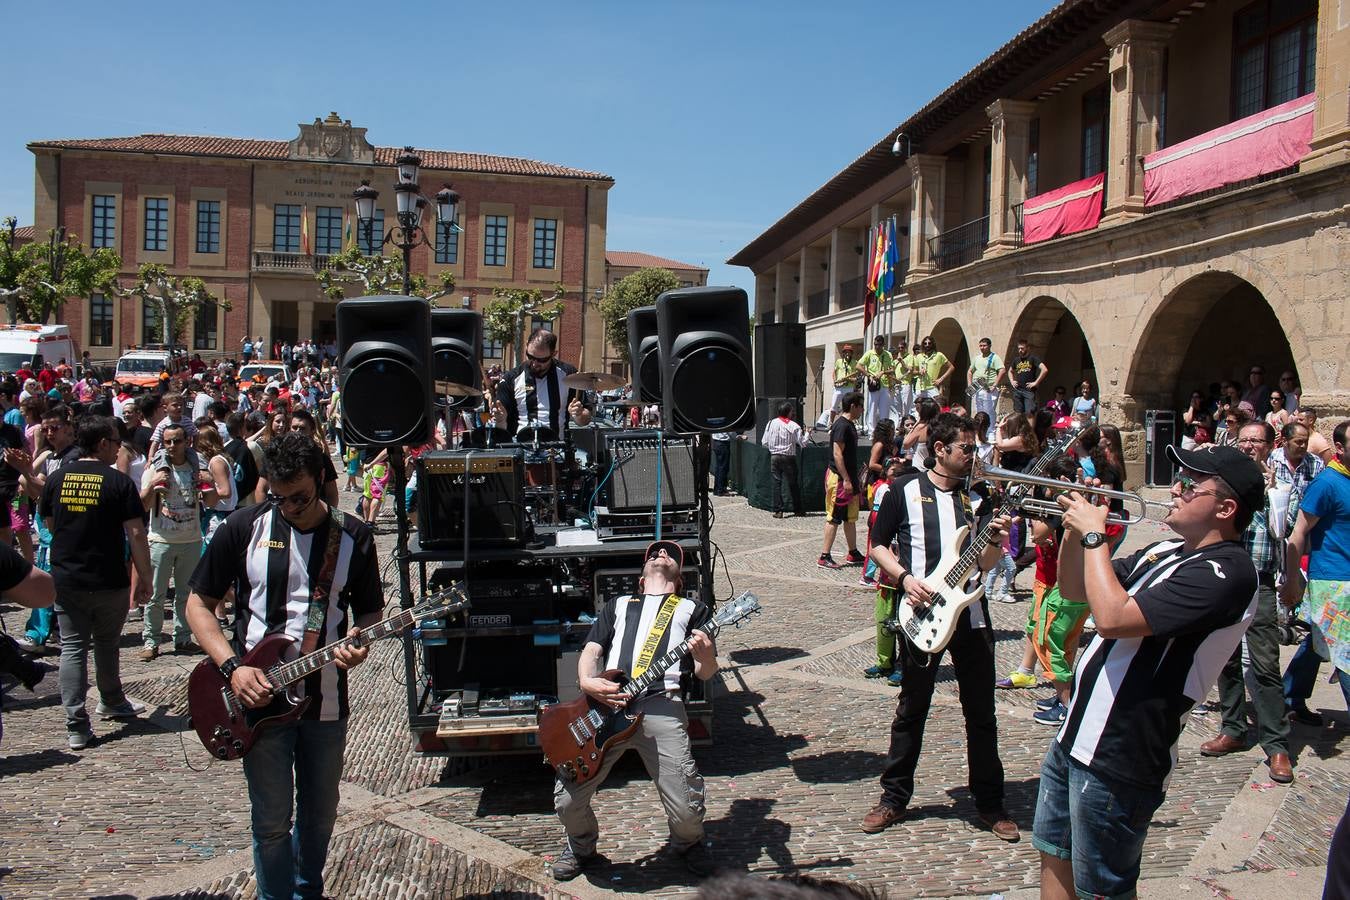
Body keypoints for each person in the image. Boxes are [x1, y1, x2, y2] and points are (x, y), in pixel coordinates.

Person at [1035, 443, 1264, 900]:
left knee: (1102, 889)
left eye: (1191, 484)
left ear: (1225, 507)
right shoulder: (1164, 551)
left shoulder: (1228, 572)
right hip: (1075, 735)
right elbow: (1075, 588)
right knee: (1053, 857)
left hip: (1123, 754)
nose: (1176, 489)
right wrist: (1075, 530)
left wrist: (1097, 536)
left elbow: (1114, 619)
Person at [184, 432, 383, 900]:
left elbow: (371, 611)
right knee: (271, 819)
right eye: (279, 497)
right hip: (255, 698)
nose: (289, 507)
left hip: (325, 700)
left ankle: (306, 889)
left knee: (320, 813)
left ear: (321, 479)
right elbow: (197, 604)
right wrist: (233, 667)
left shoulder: (353, 535)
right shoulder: (242, 526)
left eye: (300, 497)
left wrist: (360, 643)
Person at [860, 412, 1018, 840]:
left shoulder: (980, 496)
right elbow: (875, 545)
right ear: (940, 449)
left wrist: (996, 540)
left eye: (975, 447)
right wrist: (906, 578)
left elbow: (983, 563)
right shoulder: (902, 489)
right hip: (923, 613)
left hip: (971, 615)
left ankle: (990, 803)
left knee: (981, 713)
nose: (974, 455)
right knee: (912, 709)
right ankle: (893, 798)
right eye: (966, 448)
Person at [550, 540, 716, 881]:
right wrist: (586, 681)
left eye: (670, 553)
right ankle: (581, 847)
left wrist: (706, 655)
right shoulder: (618, 605)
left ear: (680, 577)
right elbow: (592, 650)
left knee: (686, 808)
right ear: (641, 577)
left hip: (661, 704)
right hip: (607, 706)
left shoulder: (692, 608)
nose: (660, 554)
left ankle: (688, 842)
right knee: (566, 801)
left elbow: (705, 673)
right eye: (653, 553)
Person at [40, 415, 154, 750]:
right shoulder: (118, 483)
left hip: (67, 576)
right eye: (117, 442)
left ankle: (77, 723)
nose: (120, 447)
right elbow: (136, 533)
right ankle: (111, 699)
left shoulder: (57, 477)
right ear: (103, 443)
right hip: (109, 577)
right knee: (106, 643)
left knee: (73, 648)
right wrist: (145, 577)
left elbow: (49, 522)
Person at [1194, 422, 1294, 781]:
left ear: (1271, 446)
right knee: (1225, 657)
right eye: (1245, 440)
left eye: (1257, 441)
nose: (1250, 446)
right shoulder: (1224, 480)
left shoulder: (1280, 485)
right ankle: (1233, 728)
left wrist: (1269, 491)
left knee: (1265, 663)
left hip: (1260, 580)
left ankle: (1277, 744)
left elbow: (1285, 530)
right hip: (1224, 575)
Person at [1280, 420, 1350, 714]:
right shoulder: (1327, 483)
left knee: (1321, 641)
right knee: (1346, 652)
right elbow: (1298, 533)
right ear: (1340, 448)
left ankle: (1290, 695)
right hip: (1332, 580)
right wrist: (1292, 579)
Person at [139, 423, 218, 660]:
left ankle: (182, 637)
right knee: (155, 596)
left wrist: (208, 482)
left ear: (187, 442)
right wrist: (153, 484)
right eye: (168, 442)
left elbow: (212, 501)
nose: (173, 446)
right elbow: (142, 504)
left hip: (191, 539)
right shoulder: (155, 469)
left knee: (186, 594)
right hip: (161, 539)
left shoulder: (196, 469)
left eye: (177, 441)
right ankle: (151, 640)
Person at [495, 329, 591, 439]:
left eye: (542, 360)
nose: (535, 364)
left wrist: (578, 415)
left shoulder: (569, 375)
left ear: (553, 354)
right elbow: (501, 427)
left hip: (557, 447)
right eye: (530, 356)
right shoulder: (510, 379)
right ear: (526, 346)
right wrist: (500, 419)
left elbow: (585, 420)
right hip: (520, 447)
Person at [818, 392, 866, 570]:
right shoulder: (841, 426)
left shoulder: (850, 425)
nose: (862, 410)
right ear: (853, 406)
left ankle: (853, 552)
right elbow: (837, 454)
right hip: (839, 479)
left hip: (849, 479)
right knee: (834, 517)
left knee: (849, 518)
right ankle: (824, 555)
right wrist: (846, 479)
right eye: (860, 406)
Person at [762, 400, 806, 518]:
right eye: (792, 411)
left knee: (777, 483)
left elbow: (764, 442)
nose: (793, 413)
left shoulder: (770, 423)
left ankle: (778, 510)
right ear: (788, 412)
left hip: (774, 456)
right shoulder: (794, 426)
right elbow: (803, 443)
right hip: (788, 457)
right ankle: (798, 509)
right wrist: (807, 434)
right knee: (793, 484)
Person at [857, 335, 895, 435]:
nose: (877, 347)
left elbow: (892, 369)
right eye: (875, 344)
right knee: (872, 407)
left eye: (879, 345)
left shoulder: (888, 355)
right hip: (873, 384)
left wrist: (883, 372)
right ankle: (871, 432)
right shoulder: (869, 353)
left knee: (884, 409)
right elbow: (858, 365)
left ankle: (883, 431)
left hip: (885, 385)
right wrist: (869, 375)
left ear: (883, 345)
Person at [968, 337, 1004, 435]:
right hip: (977, 386)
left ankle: (990, 431)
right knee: (979, 410)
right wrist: (969, 384)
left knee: (989, 410)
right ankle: (981, 431)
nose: (982, 348)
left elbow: (1002, 370)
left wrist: (995, 384)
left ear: (989, 346)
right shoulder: (977, 358)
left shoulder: (994, 357)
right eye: (980, 345)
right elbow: (970, 371)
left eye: (984, 345)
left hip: (989, 387)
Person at [1006, 338, 1047, 415]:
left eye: (1022, 348)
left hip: (1029, 390)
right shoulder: (1016, 360)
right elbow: (1010, 371)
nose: (1020, 350)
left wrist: (1036, 382)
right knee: (1018, 413)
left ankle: (1030, 427)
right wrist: (1012, 381)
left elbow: (1044, 369)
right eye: (1019, 349)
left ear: (1028, 348)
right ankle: (1020, 427)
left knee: (1030, 413)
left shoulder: (1033, 358)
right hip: (1018, 390)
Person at [910, 335, 953, 402]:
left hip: (932, 387)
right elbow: (913, 372)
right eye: (925, 343)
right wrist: (919, 372)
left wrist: (940, 379)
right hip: (920, 388)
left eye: (929, 343)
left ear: (933, 344)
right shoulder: (919, 356)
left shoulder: (939, 355)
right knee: (919, 410)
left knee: (937, 406)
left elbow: (951, 367)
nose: (927, 345)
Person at [830, 344, 859, 424]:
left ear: (851, 353)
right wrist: (835, 381)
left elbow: (856, 378)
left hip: (849, 387)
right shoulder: (839, 361)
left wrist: (848, 379)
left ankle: (848, 422)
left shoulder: (855, 362)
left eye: (849, 352)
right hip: (839, 387)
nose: (847, 354)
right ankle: (830, 423)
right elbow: (834, 373)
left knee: (848, 406)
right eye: (845, 352)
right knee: (834, 406)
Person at [711, 430, 734, 496]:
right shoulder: (726, 420)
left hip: (716, 442)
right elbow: (730, 432)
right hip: (723, 444)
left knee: (718, 467)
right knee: (723, 467)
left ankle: (717, 489)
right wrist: (738, 436)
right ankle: (721, 490)